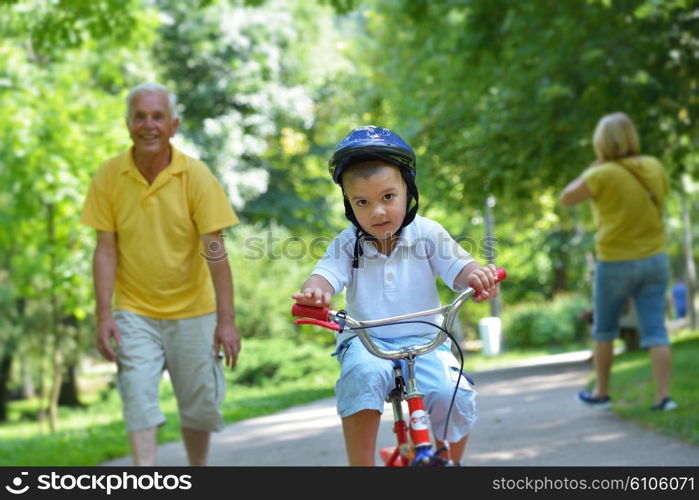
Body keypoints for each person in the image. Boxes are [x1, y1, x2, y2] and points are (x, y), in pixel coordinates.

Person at [291, 126, 499, 466]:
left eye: (388, 197)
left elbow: (460, 268)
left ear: (408, 191)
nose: (377, 212)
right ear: (349, 204)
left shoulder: (428, 234)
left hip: (428, 341)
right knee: (364, 377)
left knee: (454, 392)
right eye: (362, 202)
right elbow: (325, 276)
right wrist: (317, 292)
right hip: (367, 341)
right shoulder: (347, 244)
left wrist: (475, 277)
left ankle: (449, 461)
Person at [80, 83, 242, 465]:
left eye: (157, 117)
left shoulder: (196, 176)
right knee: (137, 395)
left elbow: (215, 251)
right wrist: (103, 314)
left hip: (194, 310)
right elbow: (104, 250)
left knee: (199, 406)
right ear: (127, 124)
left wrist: (227, 321)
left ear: (174, 125)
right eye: (140, 116)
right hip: (134, 310)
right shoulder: (109, 176)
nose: (148, 125)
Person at [560, 111, 676, 411]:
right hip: (655, 259)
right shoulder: (653, 166)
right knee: (656, 330)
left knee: (605, 330)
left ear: (601, 143)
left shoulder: (601, 174)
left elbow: (567, 197)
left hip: (615, 262)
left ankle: (601, 393)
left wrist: (596, 166)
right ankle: (663, 397)